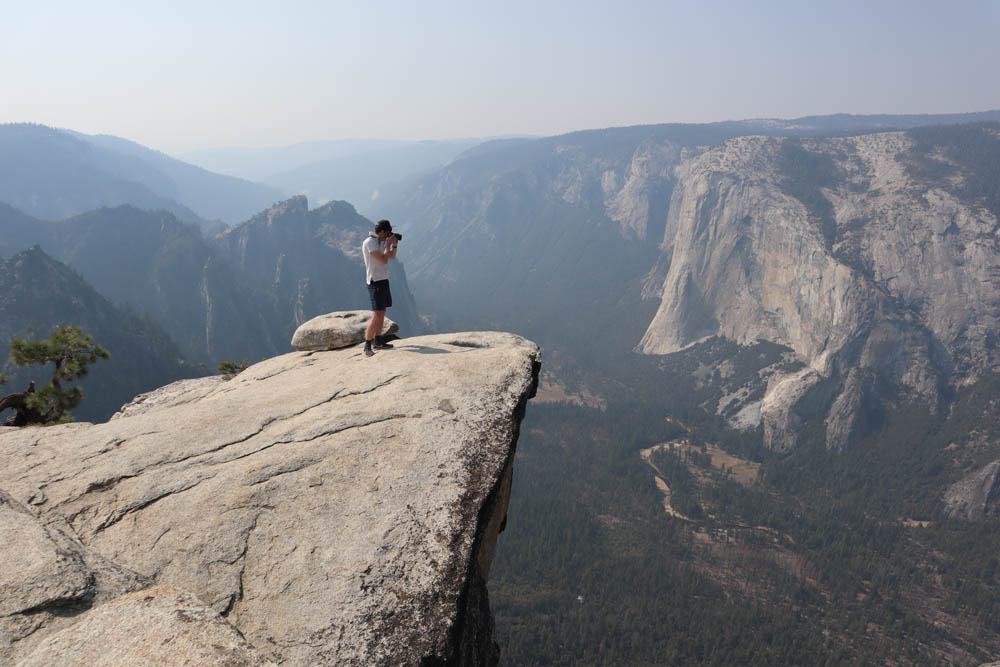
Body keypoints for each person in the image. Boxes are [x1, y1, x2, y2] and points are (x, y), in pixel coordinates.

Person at [361, 219, 398, 357]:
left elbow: (391, 257)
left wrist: (394, 245)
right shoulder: (369, 242)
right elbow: (382, 259)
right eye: (387, 233)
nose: (387, 235)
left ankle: (378, 340)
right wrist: (387, 244)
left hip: (383, 279)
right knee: (376, 314)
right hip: (374, 281)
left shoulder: (381, 242)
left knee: (382, 312)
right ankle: (367, 344)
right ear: (382, 231)